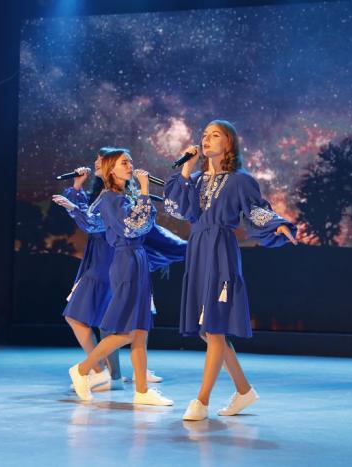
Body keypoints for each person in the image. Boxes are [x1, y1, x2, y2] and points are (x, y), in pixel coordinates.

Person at [163, 120, 297, 421]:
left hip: (220, 251)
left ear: (229, 143)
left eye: (215, 135)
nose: (207, 139)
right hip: (197, 251)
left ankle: (201, 400)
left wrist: (278, 225)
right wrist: (186, 169)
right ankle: (244, 390)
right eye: (204, 135)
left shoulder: (240, 180)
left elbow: (256, 210)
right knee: (208, 331)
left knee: (214, 327)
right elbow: (177, 209)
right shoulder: (194, 180)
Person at [58, 148, 173, 405]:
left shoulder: (121, 196)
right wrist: (145, 191)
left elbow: (133, 225)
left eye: (130, 161)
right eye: (124, 163)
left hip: (137, 258)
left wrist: (141, 195)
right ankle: (83, 369)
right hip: (126, 260)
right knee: (129, 331)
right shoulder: (111, 198)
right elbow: (134, 227)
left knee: (140, 330)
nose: (130, 166)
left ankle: (142, 391)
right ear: (111, 170)